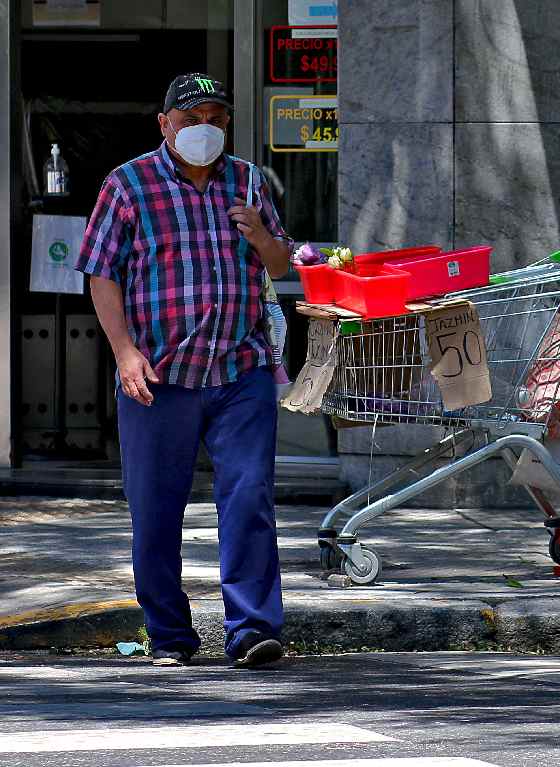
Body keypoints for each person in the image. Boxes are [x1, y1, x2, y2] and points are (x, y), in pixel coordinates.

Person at [75, 73, 294, 667]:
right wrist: (124, 352)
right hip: (158, 376)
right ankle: (170, 635)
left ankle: (252, 629)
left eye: (218, 118)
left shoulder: (248, 180)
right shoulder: (128, 185)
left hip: (239, 368)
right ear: (165, 124)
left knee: (249, 498)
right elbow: (101, 273)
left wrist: (261, 237)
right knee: (154, 509)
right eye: (192, 117)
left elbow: (280, 262)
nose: (206, 128)